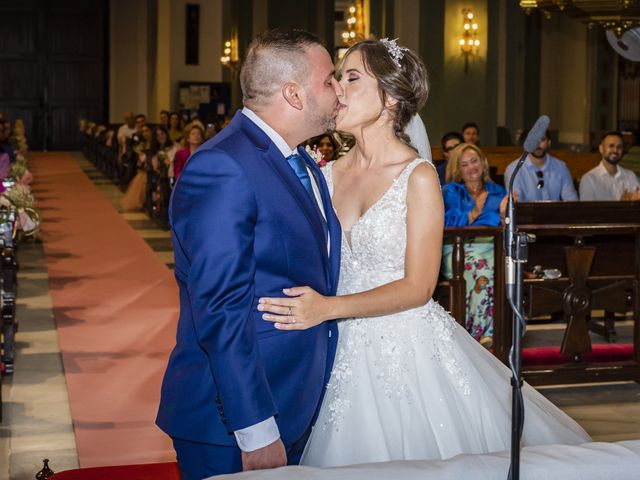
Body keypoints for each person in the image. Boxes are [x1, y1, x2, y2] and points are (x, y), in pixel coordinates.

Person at [258, 38, 590, 468]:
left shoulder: (417, 177)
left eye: (352, 77)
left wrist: (328, 308)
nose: (338, 87)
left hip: (402, 347)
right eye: (337, 77)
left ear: (391, 97)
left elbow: (418, 287)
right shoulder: (325, 173)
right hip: (333, 346)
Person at [156, 29, 343, 479]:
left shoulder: (296, 161)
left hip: (292, 399)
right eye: (330, 81)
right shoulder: (224, 166)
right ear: (294, 94)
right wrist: (254, 428)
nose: (339, 92)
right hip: (236, 419)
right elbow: (220, 308)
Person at [441, 143, 507, 346]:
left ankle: (491, 332)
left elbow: (504, 225)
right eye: (464, 164)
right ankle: (479, 333)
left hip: (490, 247)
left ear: (483, 162)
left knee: (501, 269)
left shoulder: (498, 191)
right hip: (457, 249)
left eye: (474, 161)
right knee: (482, 268)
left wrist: (506, 214)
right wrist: (474, 213)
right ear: (457, 169)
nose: (471, 167)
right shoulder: (450, 191)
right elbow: (444, 222)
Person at [504, 131, 578, 201]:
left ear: (549, 142)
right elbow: (516, 204)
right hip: (526, 214)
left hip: (556, 213)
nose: (538, 144)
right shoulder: (513, 169)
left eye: (542, 139)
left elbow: (571, 201)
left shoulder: (561, 167)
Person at [579, 131, 640, 201]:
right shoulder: (589, 179)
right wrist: (622, 204)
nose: (615, 150)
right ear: (601, 149)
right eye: (611, 146)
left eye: (619, 147)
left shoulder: (630, 176)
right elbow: (587, 211)